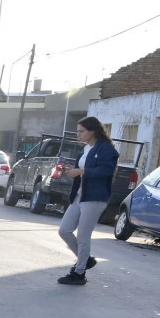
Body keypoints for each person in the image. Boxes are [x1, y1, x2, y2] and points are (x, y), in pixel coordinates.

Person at [56, 116, 119, 286]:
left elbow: (106, 170)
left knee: (83, 236)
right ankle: (86, 260)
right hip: (79, 196)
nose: (79, 135)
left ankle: (79, 273)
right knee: (64, 230)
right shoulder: (85, 149)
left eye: (82, 131)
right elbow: (83, 171)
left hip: (95, 197)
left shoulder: (106, 149)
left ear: (93, 131)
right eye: (78, 132)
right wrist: (73, 172)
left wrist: (82, 171)